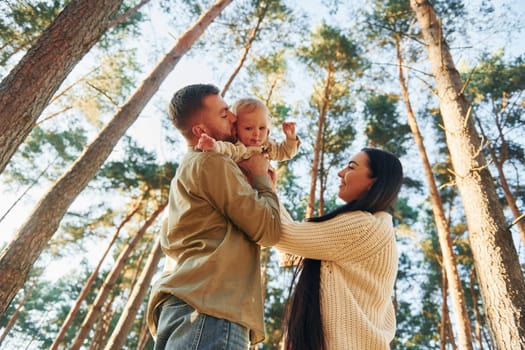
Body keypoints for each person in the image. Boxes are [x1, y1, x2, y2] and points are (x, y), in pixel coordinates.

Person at [146, 84, 282, 349]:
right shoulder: (212, 162)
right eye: (223, 115)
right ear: (200, 131)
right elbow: (269, 230)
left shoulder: (189, 168)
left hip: (184, 305)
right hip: (211, 308)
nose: (233, 117)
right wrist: (261, 179)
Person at [276, 148, 403, 350]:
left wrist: (261, 182)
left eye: (351, 167)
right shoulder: (378, 228)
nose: (341, 172)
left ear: (374, 181)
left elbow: (282, 234)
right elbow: (290, 250)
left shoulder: (365, 227)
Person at [195, 97, 300, 162]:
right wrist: (214, 145)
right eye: (248, 128)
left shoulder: (268, 146)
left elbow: (285, 153)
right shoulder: (238, 147)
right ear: (236, 129)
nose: (256, 133)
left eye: (262, 128)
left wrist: (290, 138)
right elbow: (226, 149)